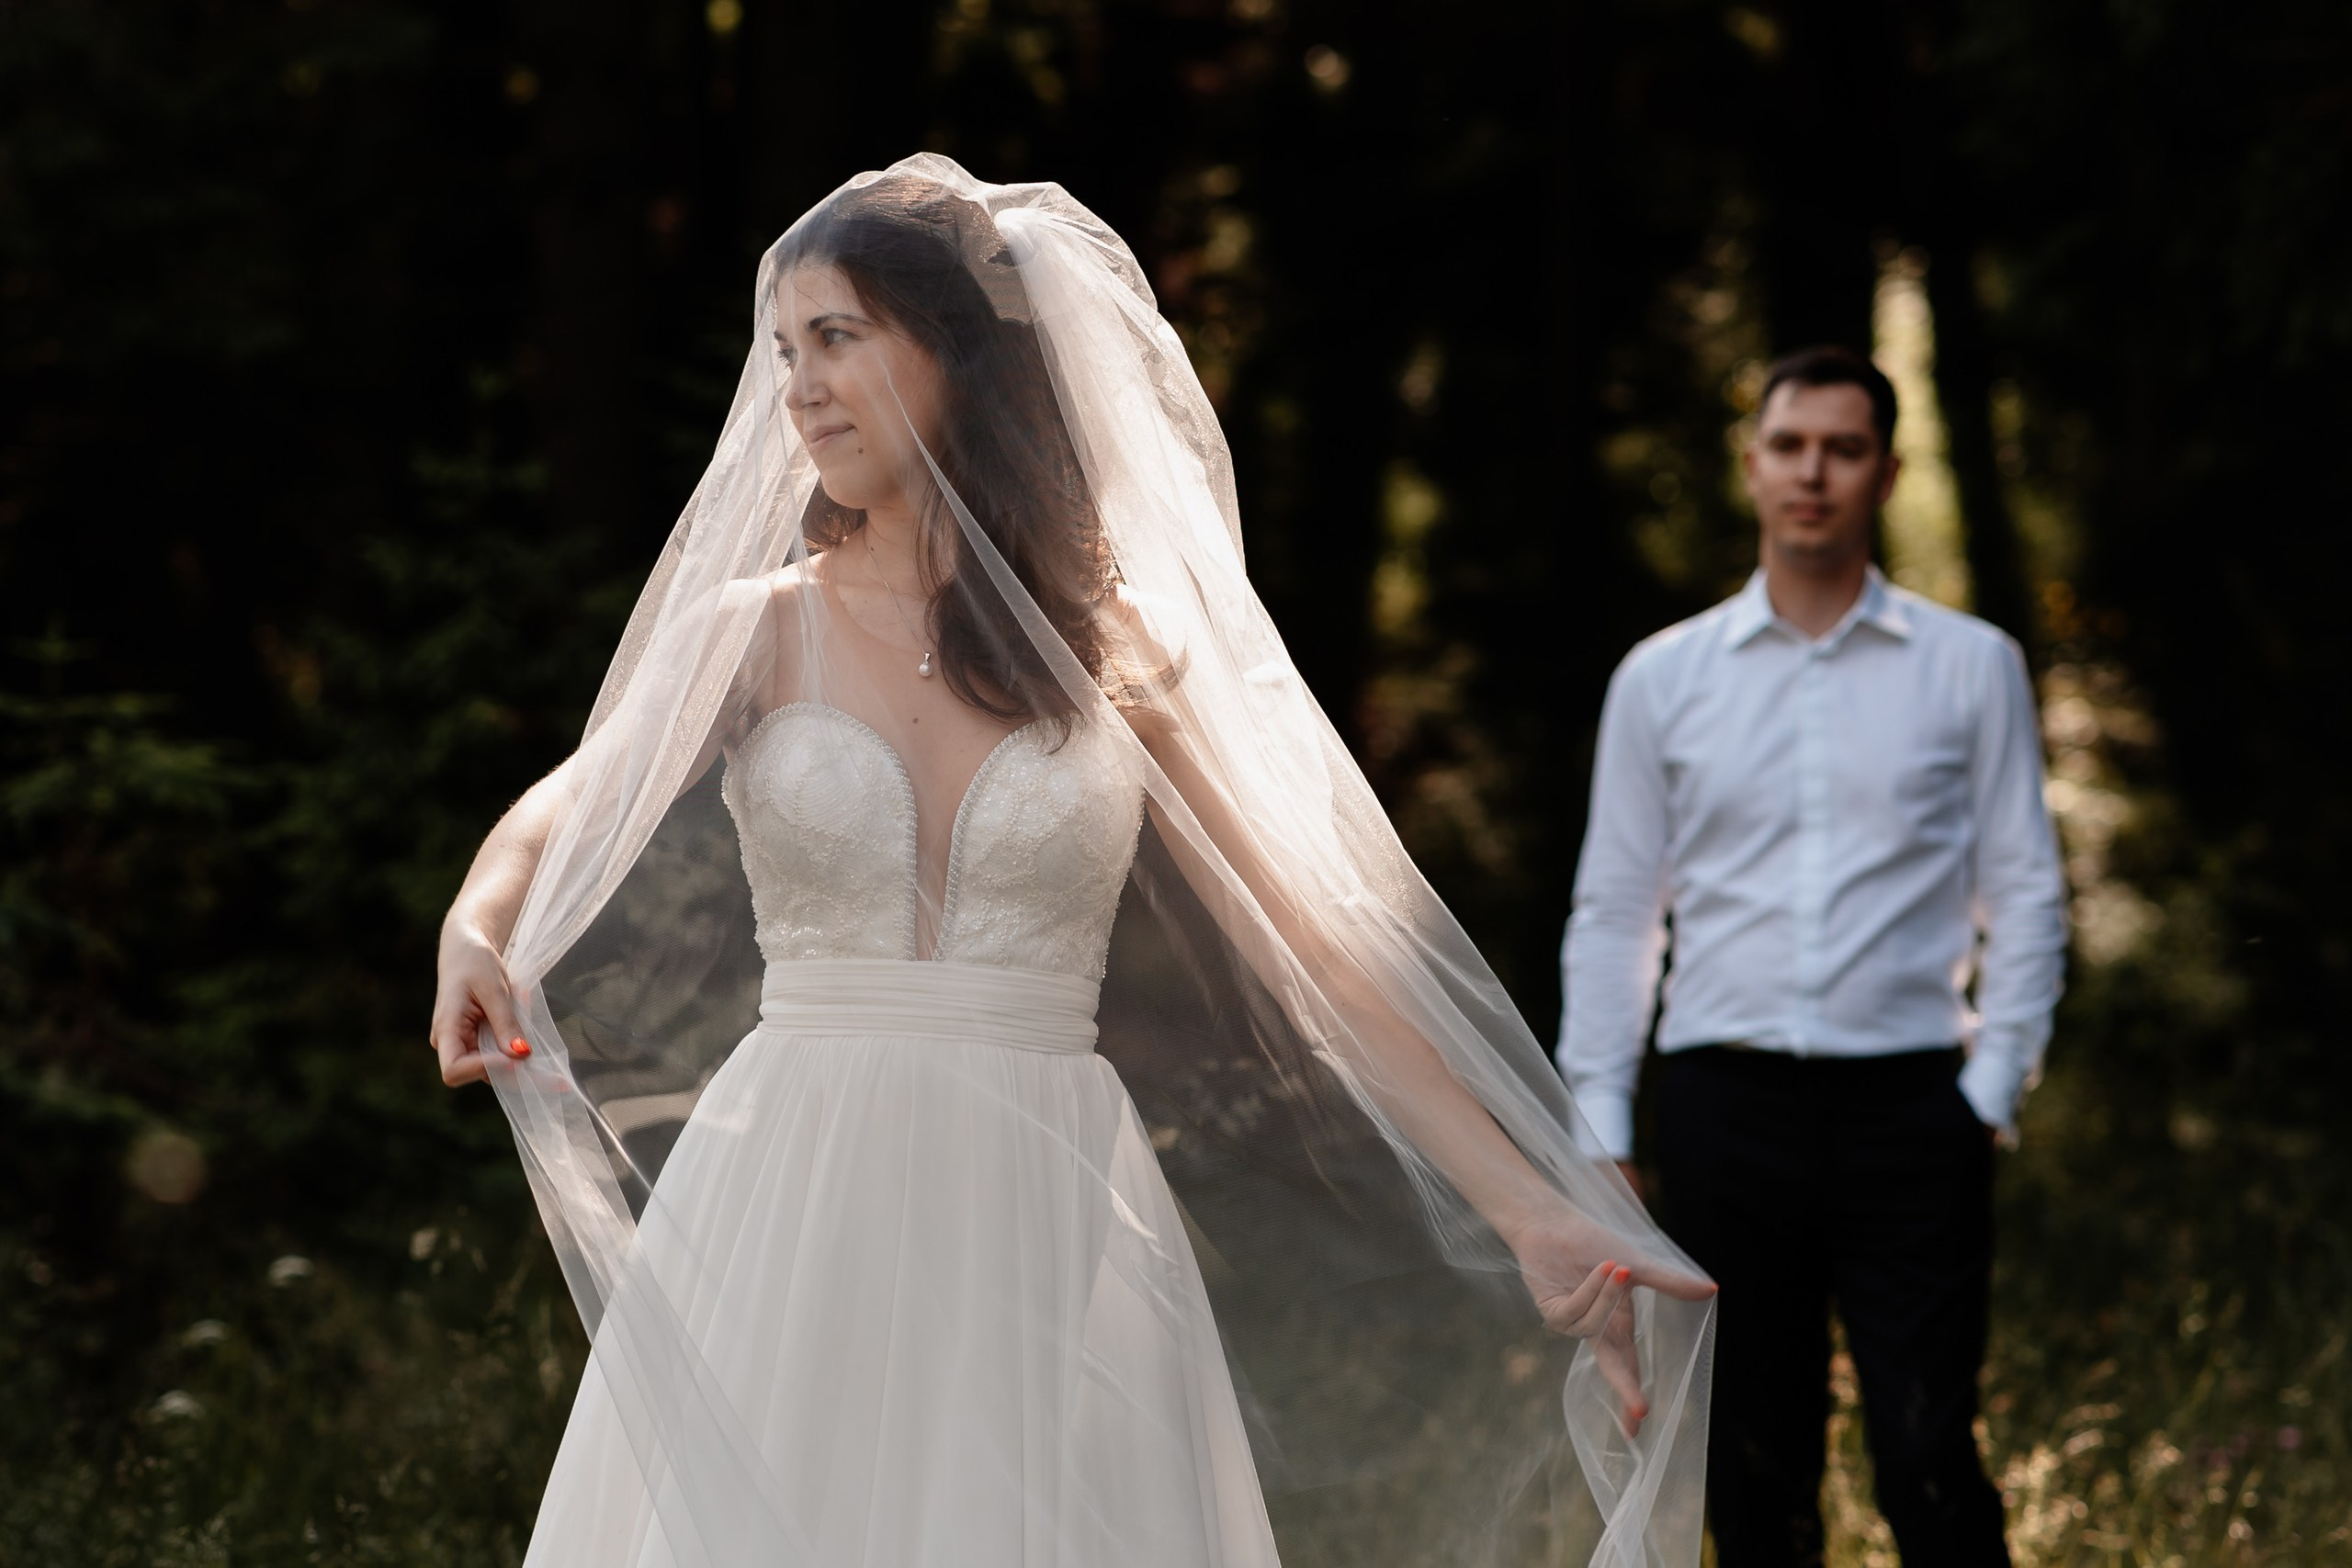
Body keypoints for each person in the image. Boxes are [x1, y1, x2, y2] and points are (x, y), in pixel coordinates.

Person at [428, 158, 1716, 1568]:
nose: (798, 387)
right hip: (797, 1179)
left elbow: (1327, 953)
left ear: (957, 355)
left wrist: (1531, 1209)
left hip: (1042, 1198)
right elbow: (564, 804)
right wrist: (481, 921)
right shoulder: (757, 627)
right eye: (785, 350)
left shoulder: (1120, 651)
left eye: (838, 338)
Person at [1556, 345, 2067, 1566]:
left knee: (1929, 1451)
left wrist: (1990, 1092)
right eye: (1791, 446)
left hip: (1912, 1112)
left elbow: (2031, 896)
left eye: (1844, 450)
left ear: (1885, 473)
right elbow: (1619, 909)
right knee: (1753, 1461)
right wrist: (1602, 1130)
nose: (1814, 473)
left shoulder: (1972, 666)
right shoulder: (1662, 679)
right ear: (1753, 467)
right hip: (1727, 1112)